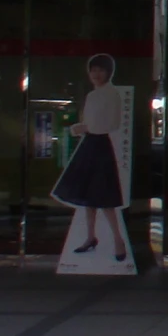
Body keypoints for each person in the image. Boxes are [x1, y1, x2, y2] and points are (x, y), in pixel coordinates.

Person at [52, 54, 128, 261]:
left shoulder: (111, 94)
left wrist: (85, 127)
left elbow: (112, 124)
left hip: (100, 145)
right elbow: (91, 122)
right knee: (89, 196)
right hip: (90, 144)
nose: (96, 74)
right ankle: (90, 237)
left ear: (109, 72)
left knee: (104, 195)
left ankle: (118, 240)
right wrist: (84, 128)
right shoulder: (92, 95)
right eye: (93, 70)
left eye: (101, 70)